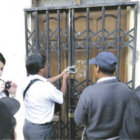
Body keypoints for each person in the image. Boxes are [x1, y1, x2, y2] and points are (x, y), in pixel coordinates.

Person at [74, 52, 132, 140]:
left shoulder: (89, 92)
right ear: (114, 69)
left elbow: (79, 120)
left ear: (98, 68)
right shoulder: (127, 90)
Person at [22, 53, 70, 140]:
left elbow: (46, 81)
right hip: (41, 132)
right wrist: (65, 79)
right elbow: (61, 96)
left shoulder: (25, 81)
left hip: (28, 127)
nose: (47, 66)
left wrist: (61, 75)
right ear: (40, 70)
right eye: (45, 65)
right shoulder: (46, 88)